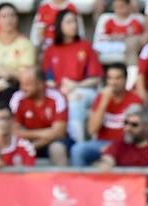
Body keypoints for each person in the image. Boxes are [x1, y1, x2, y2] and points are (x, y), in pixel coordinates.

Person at [43, 8, 103, 142]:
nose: (74, 25)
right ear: (59, 25)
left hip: (84, 91)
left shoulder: (85, 46)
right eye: (69, 22)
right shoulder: (51, 50)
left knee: (75, 99)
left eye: (75, 22)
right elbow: (48, 80)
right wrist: (60, 89)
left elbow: (95, 79)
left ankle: (77, 143)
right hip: (59, 92)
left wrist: (76, 85)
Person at [71, 61, 143, 166]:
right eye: (110, 78)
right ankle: (80, 182)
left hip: (126, 145)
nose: (113, 82)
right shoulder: (101, 97)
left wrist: (114, 148)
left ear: (125, 79)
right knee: (77, 150)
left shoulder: (135, 100)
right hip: (102, 144)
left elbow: (137, 133)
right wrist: (104, 101)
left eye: (118, 78)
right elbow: (92, 130)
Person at [10, 68, 71, 165]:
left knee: (57, 149)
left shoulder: (57, 97)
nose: (22, 88)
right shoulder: (17, 98)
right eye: (21, 84)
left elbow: (59, 133)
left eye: (27, 85)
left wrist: (34, 143)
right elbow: (14, 131)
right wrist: (46, 133)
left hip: (54, 142)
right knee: (15, 150)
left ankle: (61, 180)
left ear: (41, 85)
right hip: (27, 142)